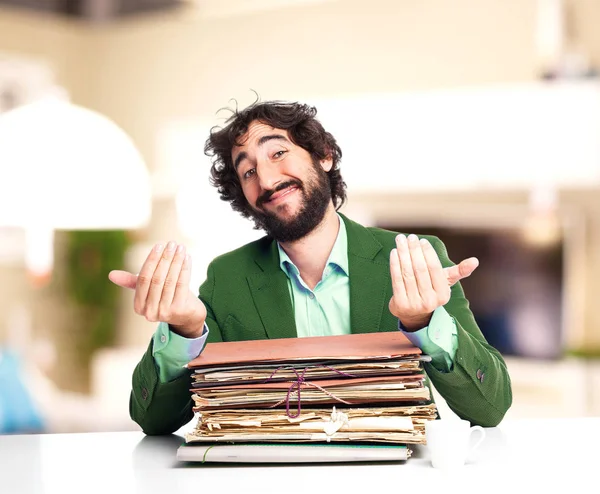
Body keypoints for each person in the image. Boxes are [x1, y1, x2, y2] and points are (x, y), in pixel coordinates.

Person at [109, 101, 512, 435]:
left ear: (323, 155)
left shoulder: (414, 258)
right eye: (247, 170)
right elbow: (153, 420)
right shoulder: (227, 279)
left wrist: (425, 322)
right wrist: (184, 332)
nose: (265, 178)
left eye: (278, 152)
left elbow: (490, 407)